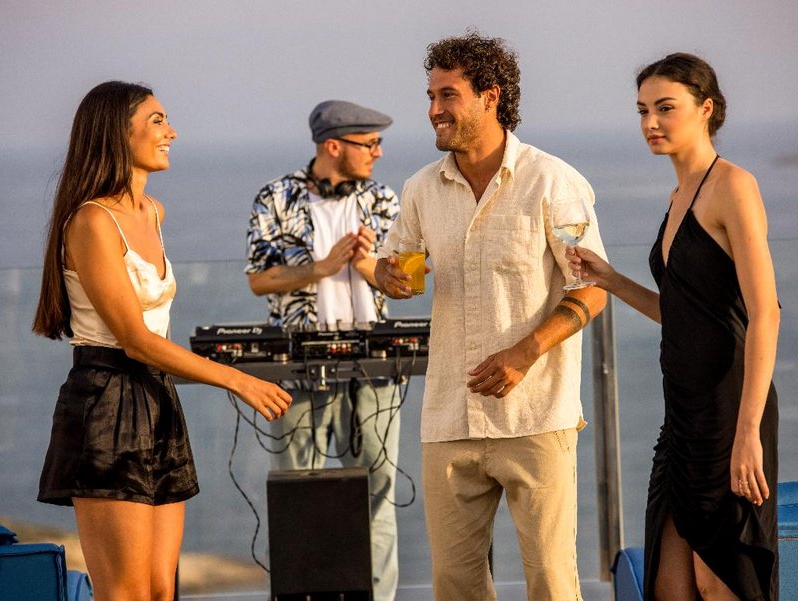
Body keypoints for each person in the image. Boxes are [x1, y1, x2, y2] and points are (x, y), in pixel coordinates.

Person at [32, 81, 292, 601]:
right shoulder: (92, 220)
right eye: (157, 121)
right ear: (117, 132)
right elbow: (134, 340)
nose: (171, 131)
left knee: (158, 590)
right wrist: (237, 380)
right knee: (125, 592)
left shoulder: (153, 212)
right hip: (106, 402)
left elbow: (155, 337)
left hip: (157, 399)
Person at [374, 31, 607, 601]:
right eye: (431, 96)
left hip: (536, 417)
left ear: (490, 96)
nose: (434, 109)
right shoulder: (420, 189)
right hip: (449, 419)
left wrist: (524, 353)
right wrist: (387, 277)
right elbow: (392, 260)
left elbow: (592, 289)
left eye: (448, 95)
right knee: (455, 585)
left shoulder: (552, 181)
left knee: (551, 580)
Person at [570, 53, 780, 600]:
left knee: (721, 580)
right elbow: (684, 316)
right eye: (642, 110)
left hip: (730, 408)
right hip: (683, 415)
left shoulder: (733, 185)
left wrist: (748, 433)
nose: (650, 123)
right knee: (670, 585)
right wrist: (611, 280)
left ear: (706, 109)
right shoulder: (678, 196)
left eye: (665, 108)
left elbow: (766, 313)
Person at [245, 99, 401, 600]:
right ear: (334, 146)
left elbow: (404, 283)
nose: (378, 152)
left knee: (379, 494)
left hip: (376, 367)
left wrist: (369, 263)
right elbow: (258, 279)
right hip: (298, 369)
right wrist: (321, 268)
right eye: (369, 143)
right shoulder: (276, 197)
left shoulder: (383, 199)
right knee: (297, 493)